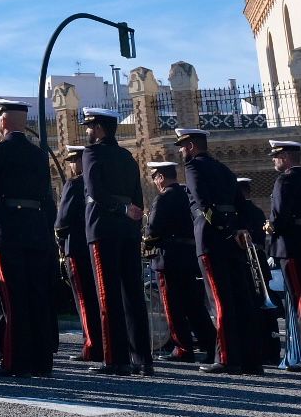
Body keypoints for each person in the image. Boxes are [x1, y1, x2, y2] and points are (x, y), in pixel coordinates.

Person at [0, 98, 56, 378]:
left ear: (3, 122)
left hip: (6, 231)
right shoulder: (38, 155)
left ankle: (15, 362)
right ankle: (42, 361)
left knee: (12, 299)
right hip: (36, 231)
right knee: (37, 297)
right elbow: (49, 200)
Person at [175, 127, 262, 375]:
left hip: (212, 240)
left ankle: (226, 357)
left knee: (219, 301)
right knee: (240, 299)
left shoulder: (193, 168)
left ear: (191, 145)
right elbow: (241, 206)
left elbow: (203, 204)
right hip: (233, 241)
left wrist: (224, 229)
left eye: (182, 146)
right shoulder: (224, 169)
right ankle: (251, 359)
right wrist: (239, 230)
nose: (181, 151)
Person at [81, 106, 151, 376]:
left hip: (104, 228)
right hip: (129, 230)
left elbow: (95, 191)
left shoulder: (92, 153)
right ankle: (143, 359)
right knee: (133, 295)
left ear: (98, 128)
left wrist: (118, 209)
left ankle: (115, 359)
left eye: (89, 127)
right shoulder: (126, 156)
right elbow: (138, 195)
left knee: (107, 295)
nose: (87, 132)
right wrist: (130, 214)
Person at [143, 161, 215, 364]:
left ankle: (183, 347)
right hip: (188, 256)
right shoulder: (186, 194)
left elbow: (153, 228)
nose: (155, 182)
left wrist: (148, 243)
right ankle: (210, 345)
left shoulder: (164, 198)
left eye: (155, 177)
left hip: (168, 258)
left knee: (172, 306)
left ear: (161, 177)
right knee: (194, 306)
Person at [55, 146, 102, 363]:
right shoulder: (100, 183)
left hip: (76, 246)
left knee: (83, 299)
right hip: (96, 246)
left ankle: (91, 345)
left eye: (74, 159)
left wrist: (59, 238)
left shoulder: (74, 184)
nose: (72, 165)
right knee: (99, 298)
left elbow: (62, 221)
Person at [237, 175, 280, 365]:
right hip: (261, 261)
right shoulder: (256, 210)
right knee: (266, 308)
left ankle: (258, 348)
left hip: (248, 263)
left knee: (251, 306)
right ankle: (272, 348)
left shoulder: (240, 211)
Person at [265, 140, 301, 368]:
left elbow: (278, 218)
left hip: (292, 246)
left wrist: (269, 227)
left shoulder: (285, 180)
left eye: (276, 155)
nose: (273, 159)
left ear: (286, 157)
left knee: (298, 299)